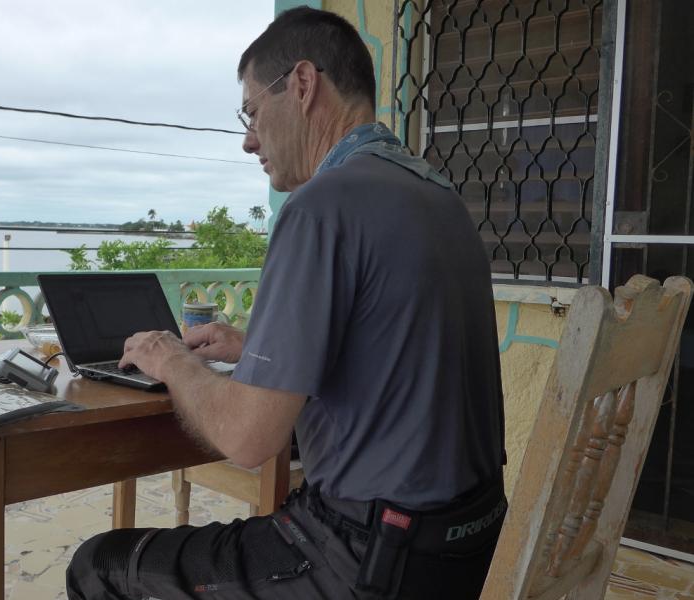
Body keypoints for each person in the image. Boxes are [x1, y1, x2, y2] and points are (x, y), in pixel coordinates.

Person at [67, 7, 506, 599]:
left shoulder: (322, 207)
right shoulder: (437, 197)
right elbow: (393, 355)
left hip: (369, 559)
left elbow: (249, 442)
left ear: (302, 84)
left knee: (99, 566)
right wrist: (255, 349)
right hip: (460, 548)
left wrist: (172, 361)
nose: (249, 140)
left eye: (251, 112)